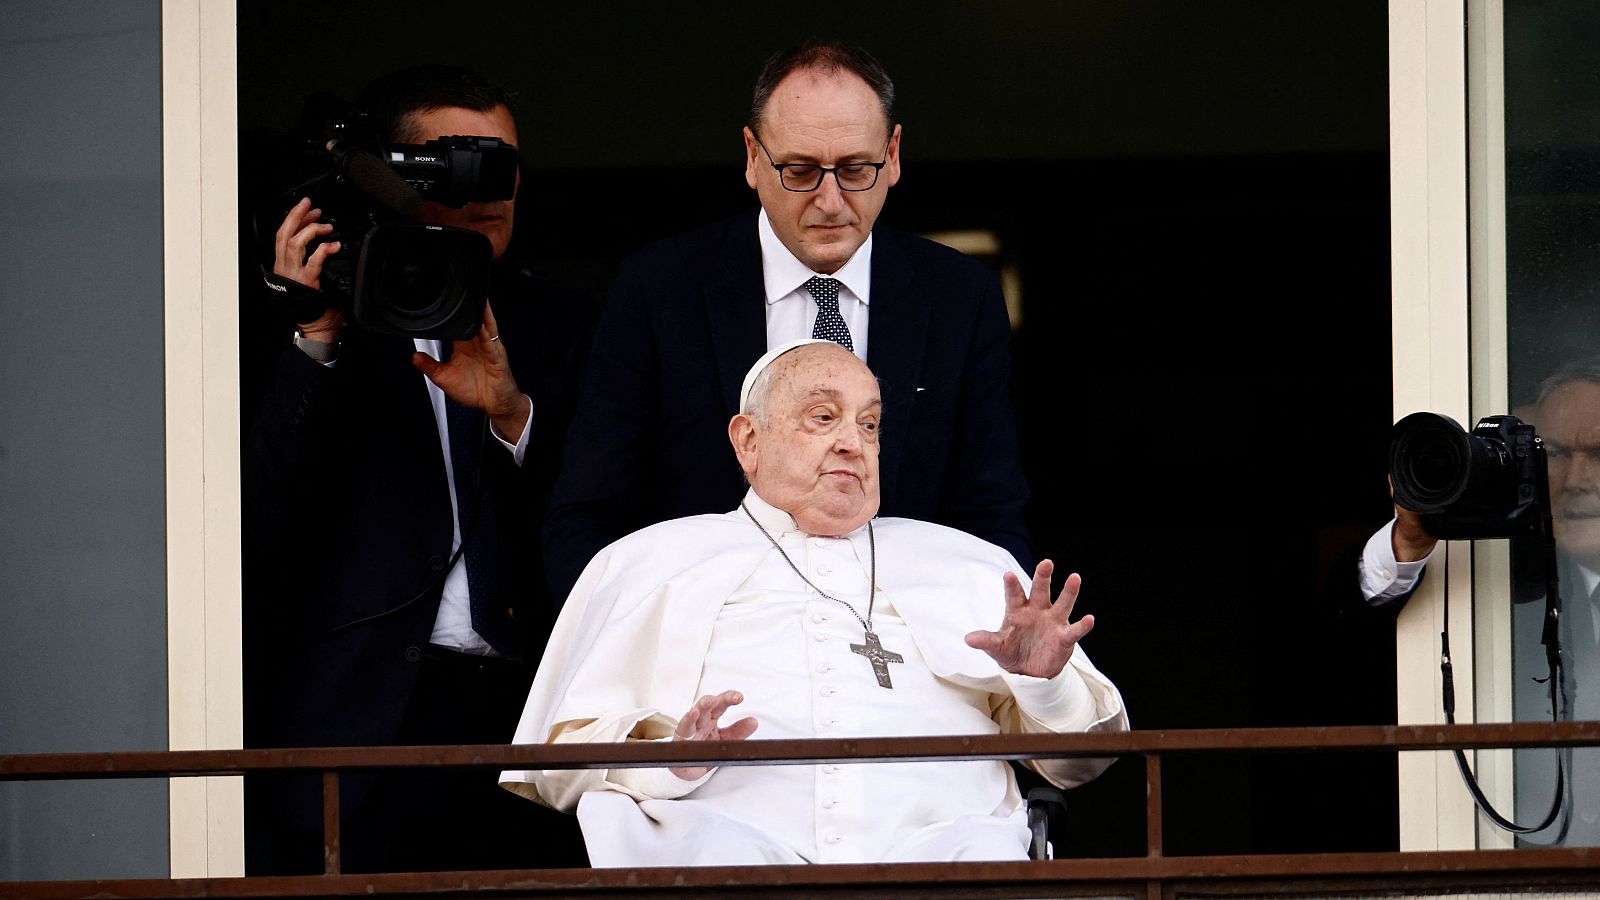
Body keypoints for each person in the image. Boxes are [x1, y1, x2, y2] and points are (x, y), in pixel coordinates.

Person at [501, 340, 1127, 866]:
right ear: (748, 441)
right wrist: (668, 762)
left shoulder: (972, 564)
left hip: (946, 861)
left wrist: (1043, 686)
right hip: (722, 861)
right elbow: (557, 769)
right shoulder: (648, 560)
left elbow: (1080, 766)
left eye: (870, 423)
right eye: (823, 417)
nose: (854, 443)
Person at [241, 64, 592, 873]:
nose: (489, 186)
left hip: (521, 726)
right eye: (457, 163)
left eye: (504, 163)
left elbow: (603, 526)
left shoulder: (565, 323)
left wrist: (512, 415)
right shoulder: (315, 310)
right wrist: (313, 338)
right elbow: (258, 524)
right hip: (355, 729)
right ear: (386, 178)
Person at [542, 40, 1032, 607]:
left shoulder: (958, 297)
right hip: (706, 645)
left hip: (902, 643)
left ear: (893, 155)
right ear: (753, 156)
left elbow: (989, 512)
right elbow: (591, 512)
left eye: (856, 169)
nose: (829, 201)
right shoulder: (658, 289)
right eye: (799, 170)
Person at [1353, 357, 1600, 843]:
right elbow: (1339, 647)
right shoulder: (1499, 584)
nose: (1576, 480)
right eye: (1552, 453)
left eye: (1599, 452)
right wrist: (1411, 540)